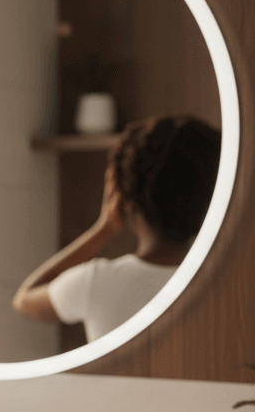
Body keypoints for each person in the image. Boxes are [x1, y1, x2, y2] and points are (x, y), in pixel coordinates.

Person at [12, 115, 221, 342]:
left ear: (121, 198)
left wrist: (104, 228)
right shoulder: (226, 279)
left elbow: (24, 300)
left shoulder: (97, 284)